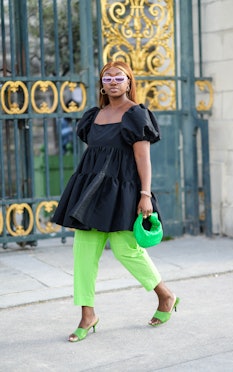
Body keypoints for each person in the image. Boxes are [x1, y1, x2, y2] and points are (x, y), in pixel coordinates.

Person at [52, 61, 180, 342]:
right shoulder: (93, 116)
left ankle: (165, 295)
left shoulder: (136, 115)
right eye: (107, 77)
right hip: (91, 191)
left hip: (124, 192)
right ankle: (88, 315)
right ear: (101, 83)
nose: (112, 81)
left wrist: (145, 195)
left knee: (127, 250)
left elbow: (142, 158)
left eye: (118, 77)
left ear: (128, 81)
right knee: (83, 254)